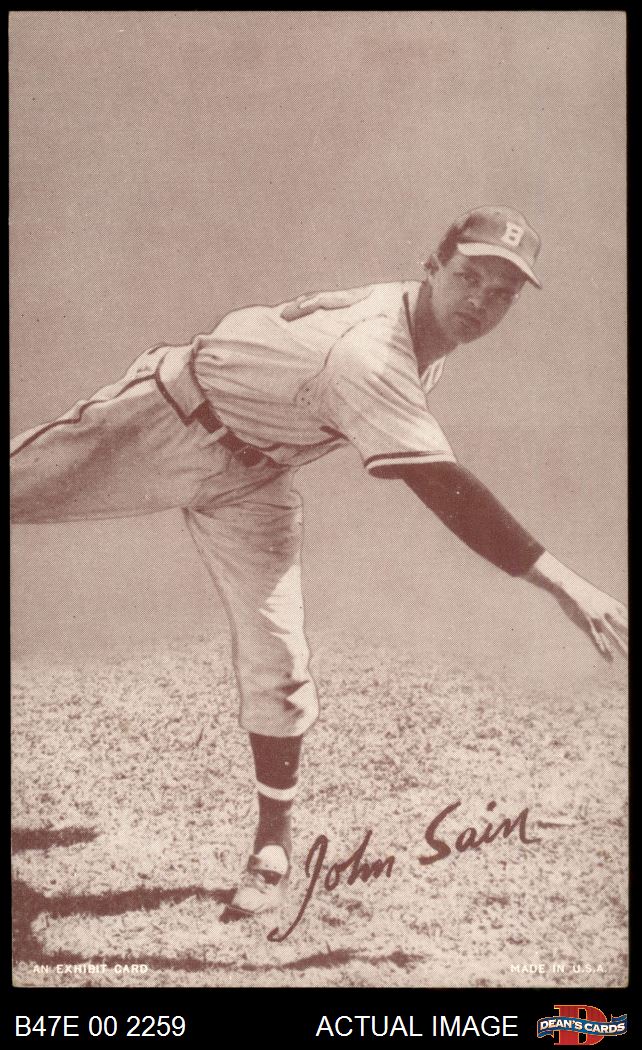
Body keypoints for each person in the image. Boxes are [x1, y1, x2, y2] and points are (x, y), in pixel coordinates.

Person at [10, 206, 628, 917]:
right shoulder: (369, 354)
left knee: (280, 656)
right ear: (432, 266)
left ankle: (272, 844)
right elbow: (446, 491)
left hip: (255, 478)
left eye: (503, 293)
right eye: (469, 277)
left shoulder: (419, 329)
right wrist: (566, 585)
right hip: (166, 417)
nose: (480, 302)